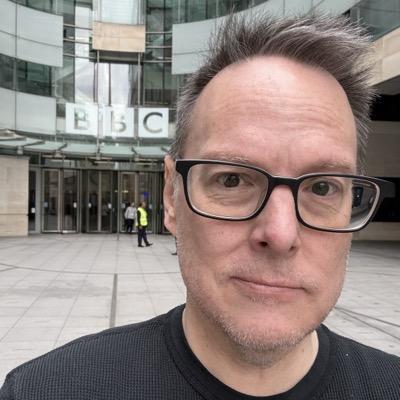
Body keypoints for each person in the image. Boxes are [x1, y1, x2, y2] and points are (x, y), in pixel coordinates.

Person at [1, 13, 399, 400]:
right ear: (171, 198)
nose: (280, 234)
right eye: (232, 180)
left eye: (323, 187)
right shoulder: (43, 391)